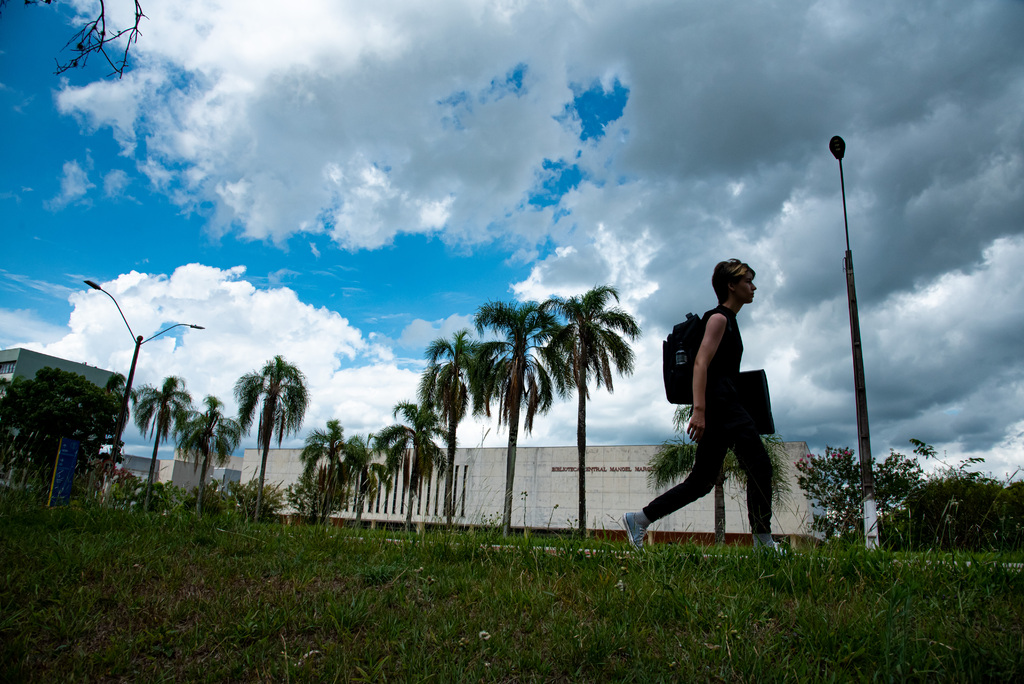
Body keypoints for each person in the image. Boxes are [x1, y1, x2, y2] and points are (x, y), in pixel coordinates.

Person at [623, 259, 777, 550]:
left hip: (723, 407)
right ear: (731, 285)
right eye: (747, 281)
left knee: (701, 482)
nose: (753, 287)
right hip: (723, 407)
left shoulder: (729, 320)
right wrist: (699, 410)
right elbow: (700, 363)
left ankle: (639, 519)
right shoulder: (718, 319)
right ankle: (763, 541)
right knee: (760, 467)